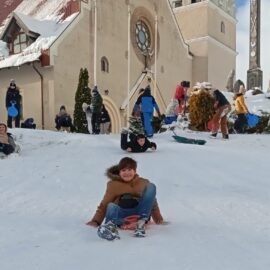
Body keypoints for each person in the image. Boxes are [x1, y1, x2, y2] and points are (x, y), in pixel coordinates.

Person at [86, 157, 164, 240]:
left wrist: (158, 219)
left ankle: (140, 224)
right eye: (123, 170)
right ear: (119, 172)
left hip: (139, 213)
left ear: (135, 171)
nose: (127, 173)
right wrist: (96, 221)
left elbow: (151, 201)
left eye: (130, 169)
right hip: (122, 216)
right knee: (111, 206)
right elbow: (104, 204)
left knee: (151, 187)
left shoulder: (143, 182)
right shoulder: (113, 185)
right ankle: (110, 227)